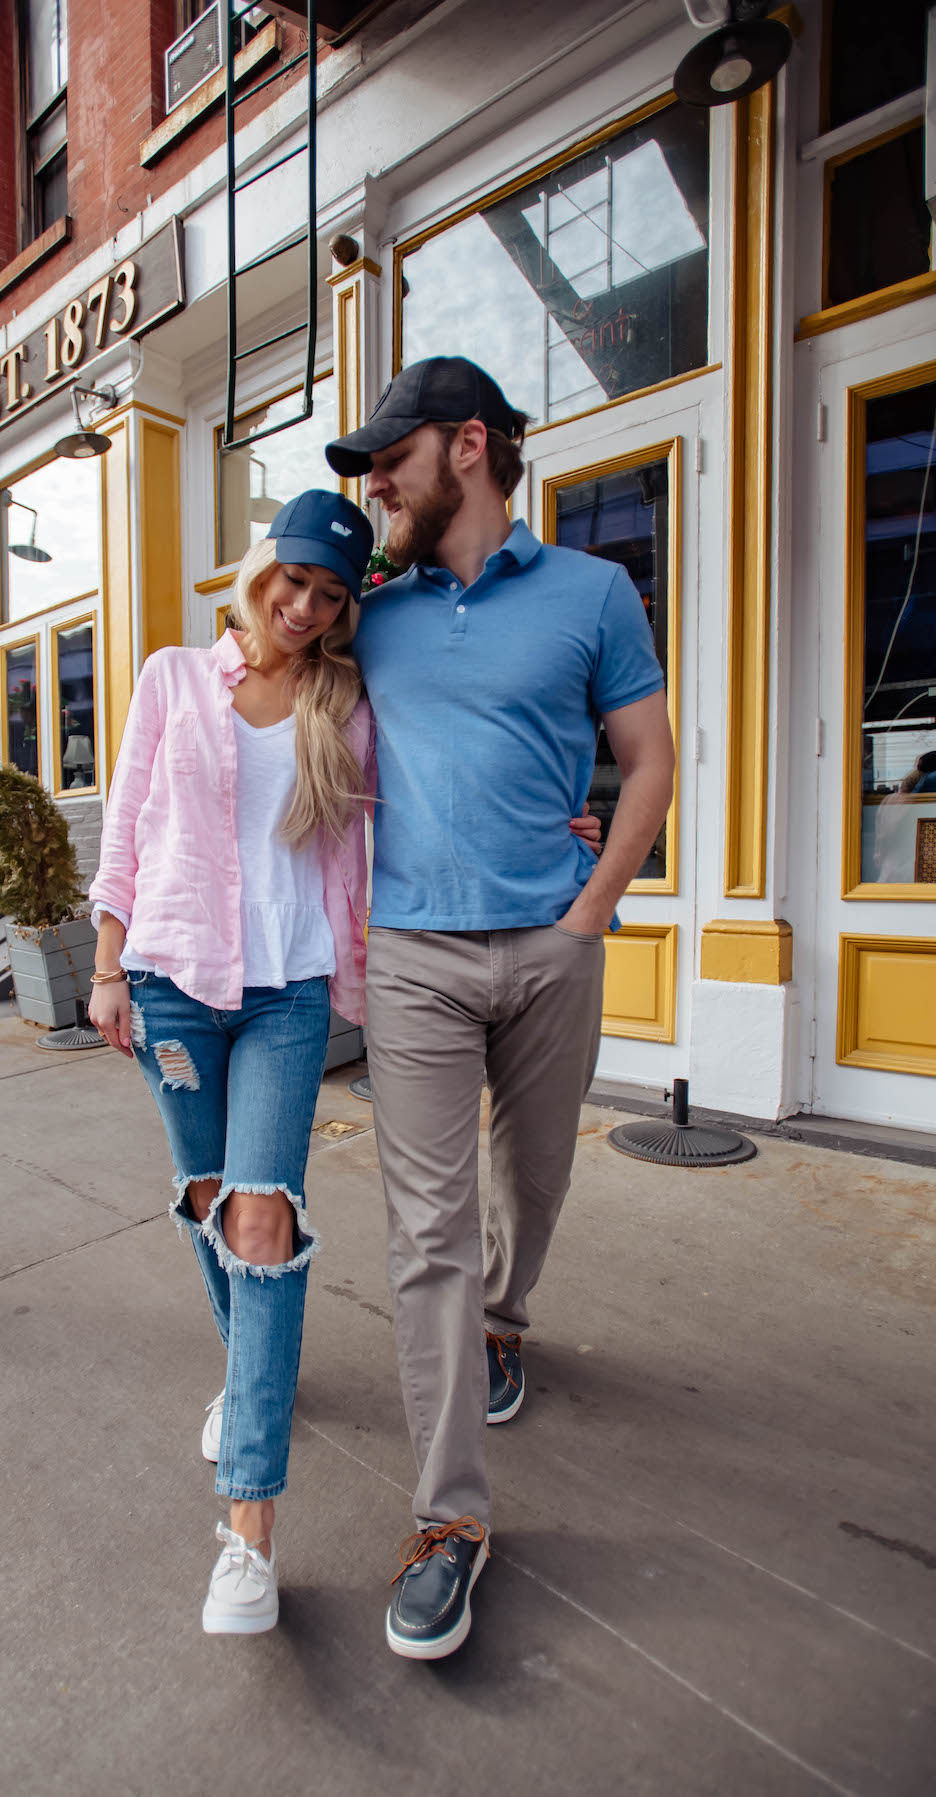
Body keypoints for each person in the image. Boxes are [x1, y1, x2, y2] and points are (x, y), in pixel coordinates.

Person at [325, 356, 676, 1660]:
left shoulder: (592, 594)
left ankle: (508, 1324)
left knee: (530, 1184)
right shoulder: (375, 605)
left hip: (550, 944)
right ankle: (448, 1522)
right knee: (429, 1232)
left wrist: (588, 912)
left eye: (390, 461)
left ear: (468, 446)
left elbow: (648, 762)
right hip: (414, 952)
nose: (376, 489)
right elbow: (272, 666)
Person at [86, 489, 376, 1636]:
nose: (303, 608)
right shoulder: (170, 678)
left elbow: (384, 831)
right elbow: (126, 826)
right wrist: (105, 970)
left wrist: (542, 836)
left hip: (290, 997)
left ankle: (247, 1531)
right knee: (206, 1200)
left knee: (263, 1219)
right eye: (292, 582)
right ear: (260, 574)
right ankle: (255, 1372)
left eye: (328, 595)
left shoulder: (344, 704)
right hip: (168, 985)